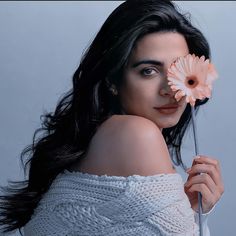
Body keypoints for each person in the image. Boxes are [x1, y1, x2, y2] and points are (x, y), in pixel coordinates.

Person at [0, 0, 224, 235]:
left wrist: (190, 211)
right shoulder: (136, 134)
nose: (170, 89)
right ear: (112, 80)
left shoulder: (96, 138)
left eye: (180, 71)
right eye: (148, 71)